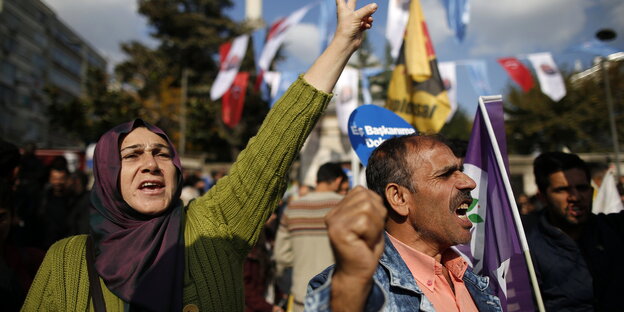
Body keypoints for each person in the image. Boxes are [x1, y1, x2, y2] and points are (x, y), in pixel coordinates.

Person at [22, 1, 378, 311]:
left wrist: (341, 44)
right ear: (106, 174)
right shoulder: (66, 260)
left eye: (162, 153)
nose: (151, 163)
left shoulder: (215, 225)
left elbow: (274, 146)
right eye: (131, 155)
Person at [306, 134, 502, 311]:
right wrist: (350, 285)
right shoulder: (353, 290)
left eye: (460, 170)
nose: (469, 182)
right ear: (399, 198)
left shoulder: (474, 280)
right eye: (445, 174)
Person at [527, 152, 624, 311]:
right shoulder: (526, 246)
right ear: (542, 196)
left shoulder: (614, 230)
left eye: (582, 188)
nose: (575, 197)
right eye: (562, 190)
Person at [274, 162, 347, 312]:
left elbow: (281, 255)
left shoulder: (292, 208)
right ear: (338, 181)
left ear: (317, 181)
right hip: (337, 296)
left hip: (302, 296)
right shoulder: (346, 205)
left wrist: (303, 260)